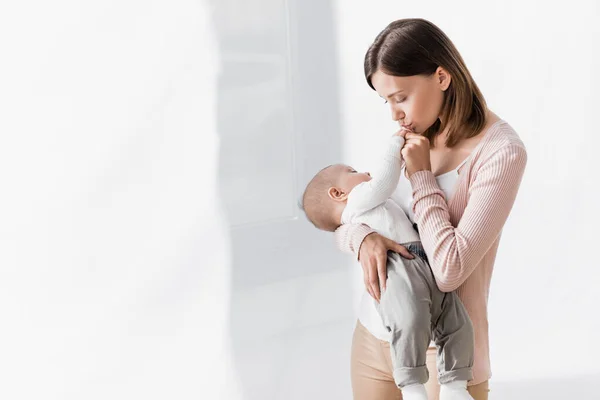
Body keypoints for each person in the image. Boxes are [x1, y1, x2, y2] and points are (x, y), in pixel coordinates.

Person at [334, 18, 527, 400]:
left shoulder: (502, 153)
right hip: (374, 337)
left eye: (400, 97)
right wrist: (363, 238)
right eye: (385, 101)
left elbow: (450, 269)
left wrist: (421, 175)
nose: (394, 114)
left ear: (441, 76)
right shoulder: (412, 134)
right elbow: (352, 213)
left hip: (448, 357)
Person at [302, 132, 475, 400]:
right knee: (409, 318)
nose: (365, 172)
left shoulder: (376, 206)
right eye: (353, 171)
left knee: (456, 322)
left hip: (423, 263)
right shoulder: (358, 201)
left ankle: (454, 386)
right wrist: (393, 146)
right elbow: (382, 183)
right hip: (397, 267)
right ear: (338, 193)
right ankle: (411, 384)